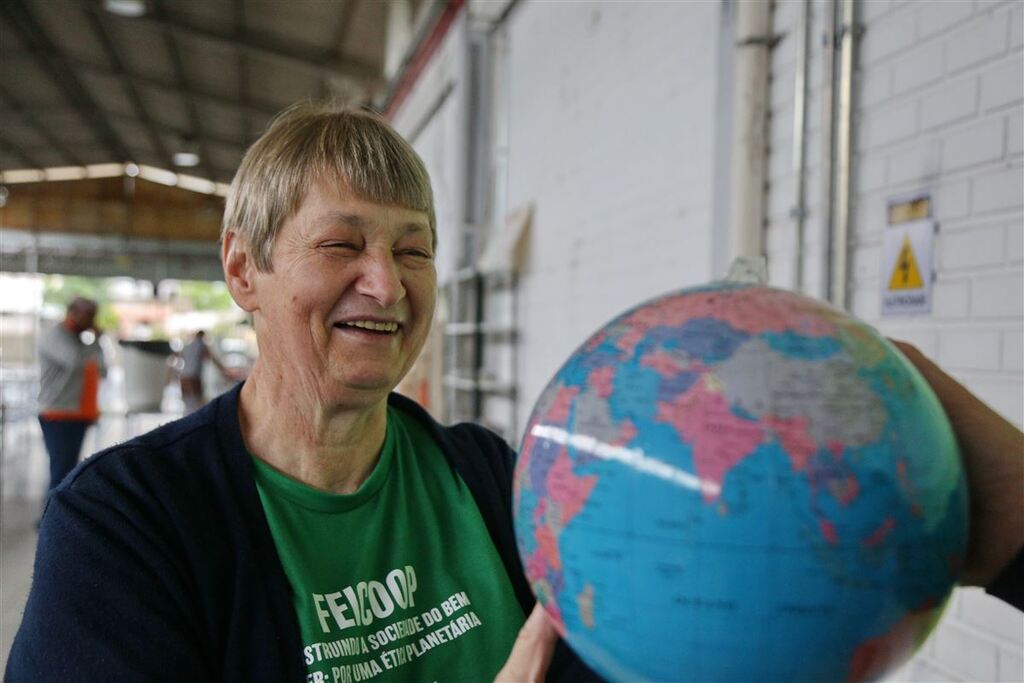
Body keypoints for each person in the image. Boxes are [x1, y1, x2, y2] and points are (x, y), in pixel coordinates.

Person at [5, 104, 1020, 683]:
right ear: (242, 269)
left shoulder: (497, 473)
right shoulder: (128, 524)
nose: (386, 281)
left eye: (414, 249)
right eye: (342, 243)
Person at [35, 297, 106, 496]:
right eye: (89, 315)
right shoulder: (56, 335)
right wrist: (96, 340)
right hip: (58, 414)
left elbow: (101, 367)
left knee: (68, 470)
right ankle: (50, 521)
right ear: (73, 312)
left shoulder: (79, 339)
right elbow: (75, 360)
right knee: (61, 472)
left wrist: (97, 341)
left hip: (78, 414)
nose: (92, 321)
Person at [178, 329, 238, 413]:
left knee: (187, 406)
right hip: (194, 378)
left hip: (183, 377)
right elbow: (213, 359)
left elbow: (178, 357)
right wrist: (224, 371)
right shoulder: (201, 344)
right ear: (202, 336)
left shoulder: (187, 345)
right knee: (197, 406)